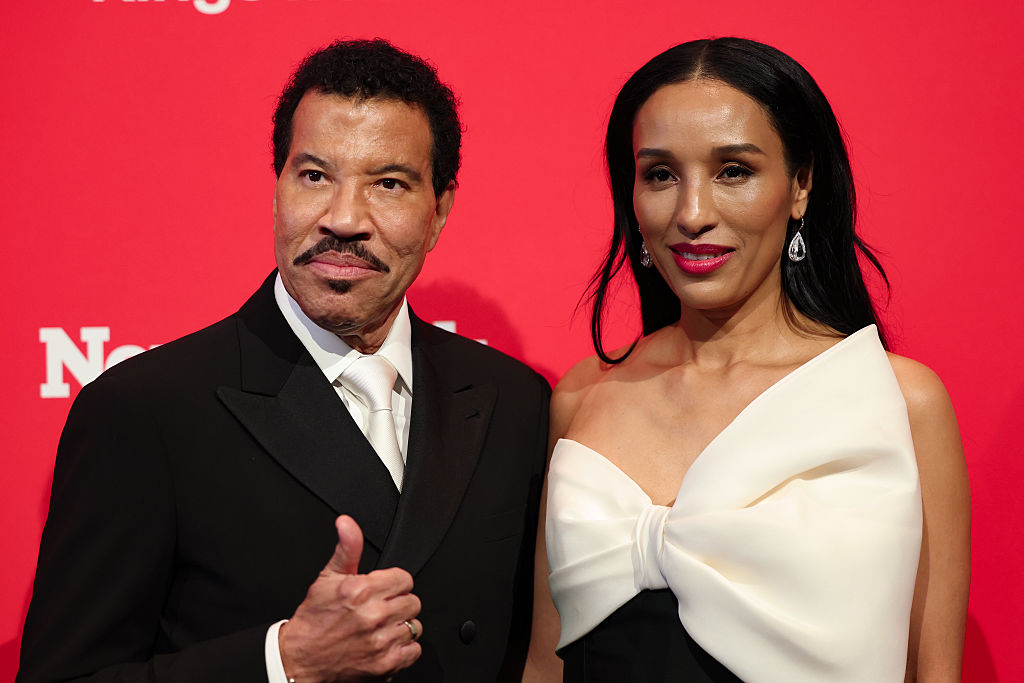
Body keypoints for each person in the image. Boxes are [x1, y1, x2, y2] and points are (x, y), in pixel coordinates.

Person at [18, 39, 550, 683]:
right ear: (277, 189)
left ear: (439, 211)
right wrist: (284, 661)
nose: (344, 218)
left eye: (388, 183)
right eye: (315, 175)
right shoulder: (144, 411)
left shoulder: (511, 401)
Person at [524, 38, 969, 682]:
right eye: (660, 174)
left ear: (802, 185)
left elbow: (934, 670)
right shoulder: (580, 397)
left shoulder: (900, 403)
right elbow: (545, 664)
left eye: (733, 170)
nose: (692, 213)